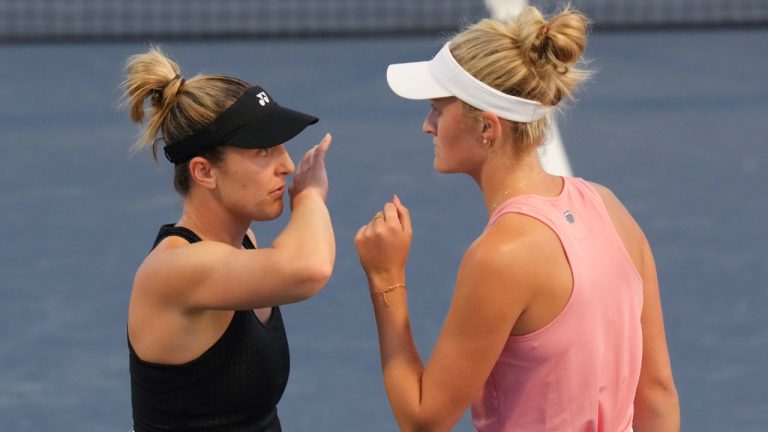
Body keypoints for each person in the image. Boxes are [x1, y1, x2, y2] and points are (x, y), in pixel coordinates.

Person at [354, 6, 679, 432]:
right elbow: (655, 392)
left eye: (437, 109)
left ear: (488, 127)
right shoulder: (610, 208)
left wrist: (385, 277)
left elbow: (423, 417)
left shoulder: (501, 256)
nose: (427, 126)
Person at [122, 47, 335, 431]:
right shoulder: (175, 270)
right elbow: (309, 268)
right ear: (204, 172)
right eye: (263, 151)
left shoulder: (243, 244)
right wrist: (310, 197)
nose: (287, 165)